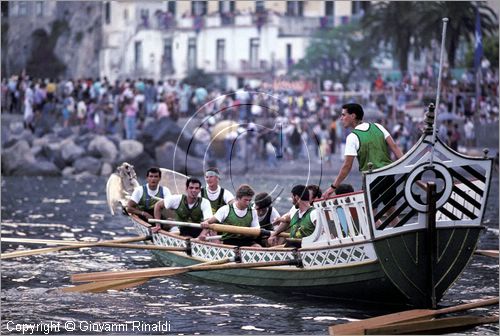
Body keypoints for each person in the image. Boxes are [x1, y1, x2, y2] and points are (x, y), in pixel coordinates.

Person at [322, 103, 403, 197]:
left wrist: (332, 187)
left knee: (369, 209)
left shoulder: (352, 137)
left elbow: (347, 166)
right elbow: (394, 147)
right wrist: (406, 167)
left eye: (343, 115)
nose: (341, 118)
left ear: (353, 116)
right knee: (391, 209)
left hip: (371, 178)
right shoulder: (378, 126)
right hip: (388, 174)